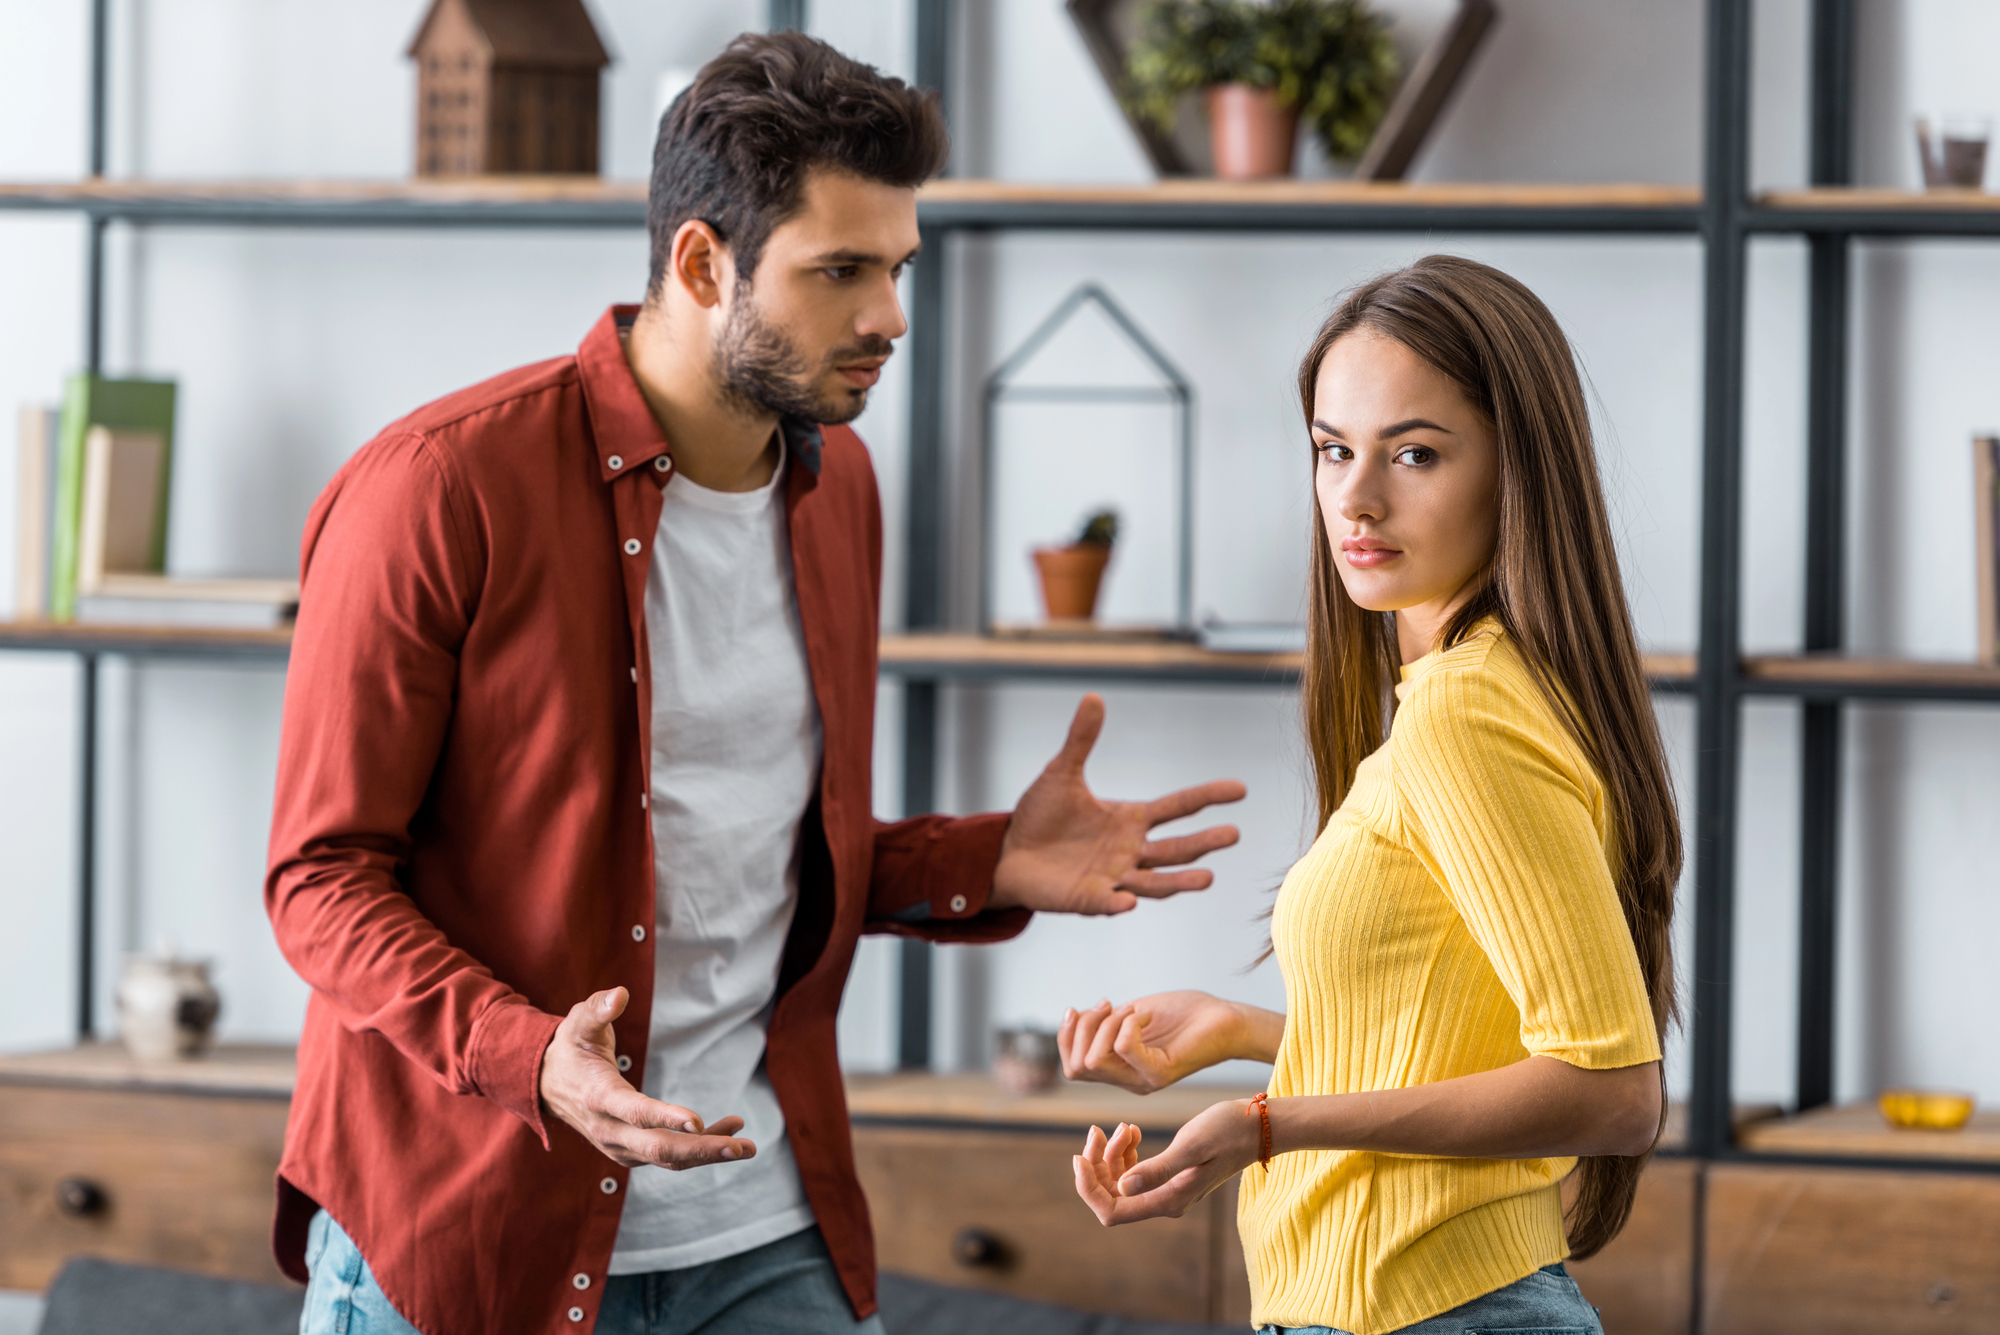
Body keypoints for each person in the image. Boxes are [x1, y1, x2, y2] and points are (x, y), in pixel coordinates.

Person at [264, 32, 1246, 1335]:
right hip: (477, 1221)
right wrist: (525, 1049)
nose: (890, 316)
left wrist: (992, 859)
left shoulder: (840, 496)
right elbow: (318, 877)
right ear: (700, 262)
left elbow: (745, 846)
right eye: (839, 271)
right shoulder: (442, 486)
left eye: (898, 267)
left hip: (761, 1220)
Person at [1058, 255, 1679, 1335]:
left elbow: (1611, 1092)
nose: (1356, 495)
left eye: (1415, 453)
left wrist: (1268, 1126)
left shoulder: (1467, 713)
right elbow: (1462, 1031)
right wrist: (1243, 1031)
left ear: (1512, 470)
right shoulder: (1466, 697)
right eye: (1332, 450)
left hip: (1426, 1309)